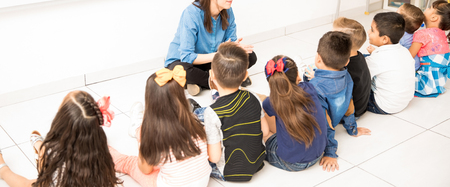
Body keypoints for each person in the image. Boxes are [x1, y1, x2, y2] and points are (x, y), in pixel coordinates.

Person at [108, 65, 211, 187]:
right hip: (203, 181)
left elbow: (145, 169)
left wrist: (142, 140)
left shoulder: (150, 133)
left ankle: (107, 149)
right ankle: (136, 127)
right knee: (167, 159)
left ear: (151, 102)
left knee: (130, 163)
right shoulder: (194, 120)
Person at [0, 90, 121, 187]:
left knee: (28, 183)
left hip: (57, 177)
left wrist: (45, 155)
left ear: (61, 123)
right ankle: (39, 146)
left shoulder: (55, 156)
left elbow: (46, 179)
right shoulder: (101, 148)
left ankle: (3, 169)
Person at [164, 0, 256, 96]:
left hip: (211, 60)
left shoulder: (227, 10)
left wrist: (234, 48)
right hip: (186, 61)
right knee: (182, 70)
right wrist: (220, 55)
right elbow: (187, 56)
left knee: (250, 56)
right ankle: (224, 80)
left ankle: (201, 81)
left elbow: (230, 42)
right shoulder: (191, 14)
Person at [200, 42, 267, 182]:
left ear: (212, 76)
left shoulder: (212, 113)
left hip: (229, 172)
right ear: (245, 76)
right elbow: (265, 131)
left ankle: (197, 113)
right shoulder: (254, 96)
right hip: (258, 164)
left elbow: (214, 157)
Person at [306, 31, 371, 172]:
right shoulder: (347, 76)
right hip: (337, 118)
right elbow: (349, 104)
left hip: (319, 127)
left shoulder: (314, 87)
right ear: (347, 61)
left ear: (318, 59)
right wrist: (352, 128)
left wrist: (330, 151)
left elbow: (326, 121)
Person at [262, 55, 327, 172]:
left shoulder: (271, 102)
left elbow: (266, 106)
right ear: (298, 76)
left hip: (293, 163)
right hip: (319, 153)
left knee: (262, 121)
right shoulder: (310, 88)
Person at [366, 12, 415, 113]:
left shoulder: (378, 58)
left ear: (384, 39)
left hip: (383, 106)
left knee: (356, 68)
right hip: (402, 102)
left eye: (372, 30)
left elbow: (362, 76)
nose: (368, 32)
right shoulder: (405, 51)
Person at [409, 0, 450, 97]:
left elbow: (409, 56)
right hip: (438, 83)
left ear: (434, 17)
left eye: (430, 7)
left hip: (424, 83)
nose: (426, 8)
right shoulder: (441, 34)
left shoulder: (422, 34)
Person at [332, 17, 371, 118]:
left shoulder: (345, 67)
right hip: (361, 107)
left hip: (351, 113)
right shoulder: (359, 56)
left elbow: (333, 89)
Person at [397, 3, 425, 71]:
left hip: (410, 67)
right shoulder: (410, 34)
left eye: (396, 13)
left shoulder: (401, 36)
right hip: (416, 65)